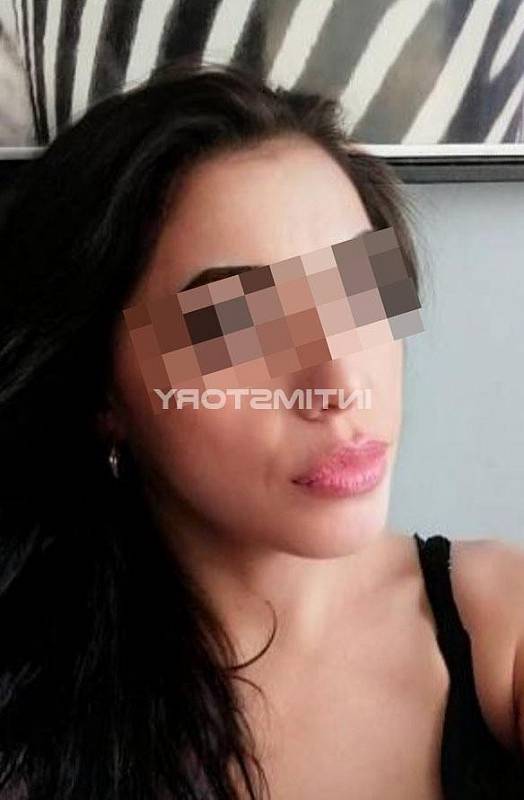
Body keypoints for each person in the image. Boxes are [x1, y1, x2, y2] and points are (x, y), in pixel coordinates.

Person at [0, 59, 523, 800]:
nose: (340, 385)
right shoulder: (32, 692)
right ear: (103, 392)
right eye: (236, 325)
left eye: (362, 291)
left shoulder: (501, 624)